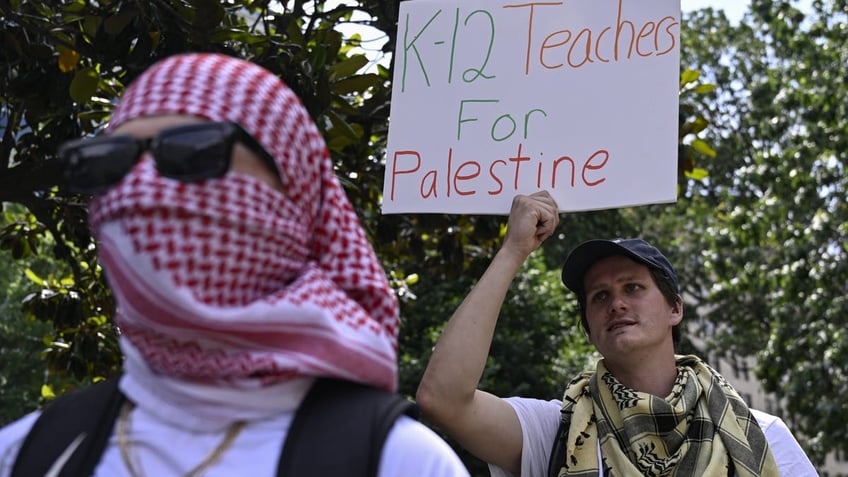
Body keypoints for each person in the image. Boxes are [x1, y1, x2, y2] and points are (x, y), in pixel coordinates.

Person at [0, 53, 470, 477]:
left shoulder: (398, 461)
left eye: (192, 151)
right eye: (109, 163)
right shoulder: (28, 454)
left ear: (296, 187)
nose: (139, 187)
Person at [416, 191, 818, 476]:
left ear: (674, 308)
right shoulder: (556, 433)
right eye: (599, 296)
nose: (617, 304)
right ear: (590, 329)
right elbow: (443, 398)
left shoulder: (762, 436)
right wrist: (512, 252)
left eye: (633, 288)